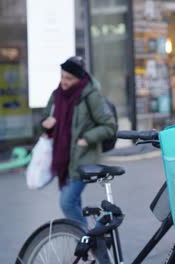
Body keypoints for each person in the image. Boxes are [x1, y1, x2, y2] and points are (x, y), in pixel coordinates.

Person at [41, 56, 116, 226]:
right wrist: (47, 124)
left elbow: (109, 126)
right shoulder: (57, 94)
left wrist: (87, 138)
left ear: (79, 78)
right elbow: (45, 117)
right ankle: (87, 246)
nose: (64, 82)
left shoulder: (91, 96)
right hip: (64, 159)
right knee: (74, 202)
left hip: (83, 158)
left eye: (69, 78)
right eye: (62, 76)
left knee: (67, 202)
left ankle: (86, 240)